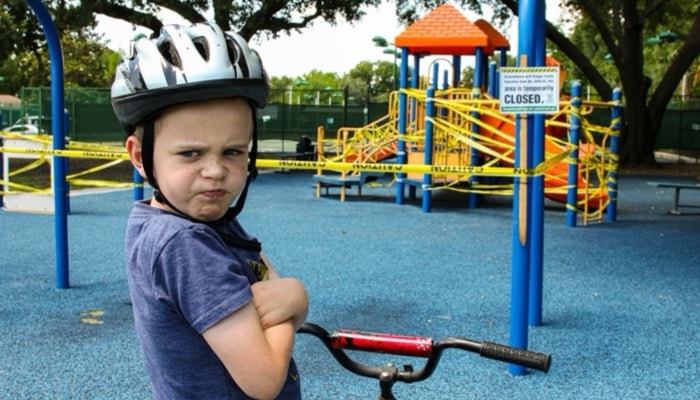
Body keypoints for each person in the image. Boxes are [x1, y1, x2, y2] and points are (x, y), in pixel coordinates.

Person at [111, 22, 308, 400]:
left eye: (233, 151)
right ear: (140, 156)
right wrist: (297, 298)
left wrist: (282, 301)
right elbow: (264, 378)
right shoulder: (185, 244)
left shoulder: (204, 219)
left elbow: (266, 282)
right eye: (190, 153)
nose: (215, 170)